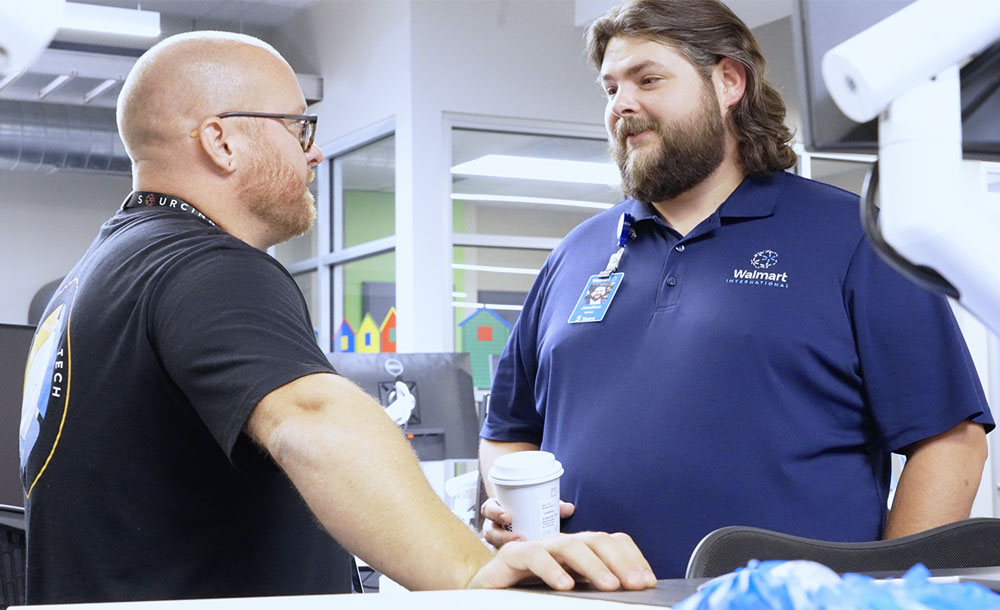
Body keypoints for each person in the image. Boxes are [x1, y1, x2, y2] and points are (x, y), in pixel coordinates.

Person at [18, 31, 657, 605]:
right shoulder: (208, 264)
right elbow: (311, 417)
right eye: (298, 128)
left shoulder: (91, 280)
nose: (314, 154)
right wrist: (471, 577)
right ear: (221, 140)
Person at [479, 0, 993, 579]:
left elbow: (949, 441)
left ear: (728, 82)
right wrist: (511, 505)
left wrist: (890, 592)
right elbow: (509, 431)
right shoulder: (576, 253)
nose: (622, 104)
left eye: (648, 79)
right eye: (610, 88)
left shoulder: (854, 238)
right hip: (585, 596)